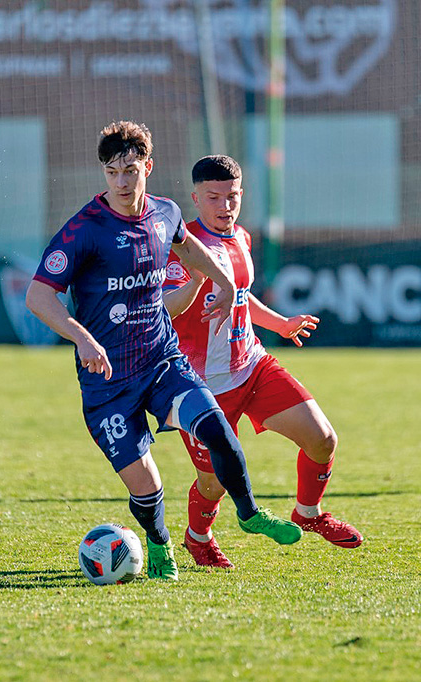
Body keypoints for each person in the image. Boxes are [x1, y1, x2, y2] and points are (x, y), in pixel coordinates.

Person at [25, 121, 303, 580]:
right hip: (108, 383)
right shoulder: (84, 231)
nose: (121, 181)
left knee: (215, 426)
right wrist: (83, 338)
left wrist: (225, 282)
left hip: (162, 361)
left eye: (130, 170)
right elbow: (38, 296)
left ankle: (249, 513)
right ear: (103, 173)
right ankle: (158, 544)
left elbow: (194, 251)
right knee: (147, 484)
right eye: (112, 171)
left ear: (147, 167)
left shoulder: (165, 213)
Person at [162, 154, 363, 568]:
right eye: (214, 197)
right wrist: (200, 285)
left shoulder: (243, 239)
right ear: (195, 198)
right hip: (200, 386)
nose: (225, 206)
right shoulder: (182, 250)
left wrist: (280, 324)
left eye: (232, 196)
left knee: (323, 439)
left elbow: (240, 295)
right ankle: (198, 538)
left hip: (252, 366)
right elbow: (168, 307)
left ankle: (309, 514)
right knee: (214, 482)